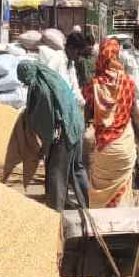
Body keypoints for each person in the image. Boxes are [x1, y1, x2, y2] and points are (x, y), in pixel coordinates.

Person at [16, 61, 89, 211]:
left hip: (64, 131)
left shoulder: (41, 89)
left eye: (24, 80)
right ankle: (86, 203)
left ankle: (55, 211)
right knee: (76, 168)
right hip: (76, 125)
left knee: (56, 172)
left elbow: (48, 122)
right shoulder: (50, 78)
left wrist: (45, 146)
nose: (24, 83)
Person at [82, 38, 137, 207]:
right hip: (124, 146)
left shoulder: (94, 85)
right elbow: (133, 111)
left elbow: (86, 110)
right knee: (123, 190)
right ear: (117, 56)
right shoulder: (128, 82)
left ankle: (101, 227)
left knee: (100, 192)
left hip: (105, 148)